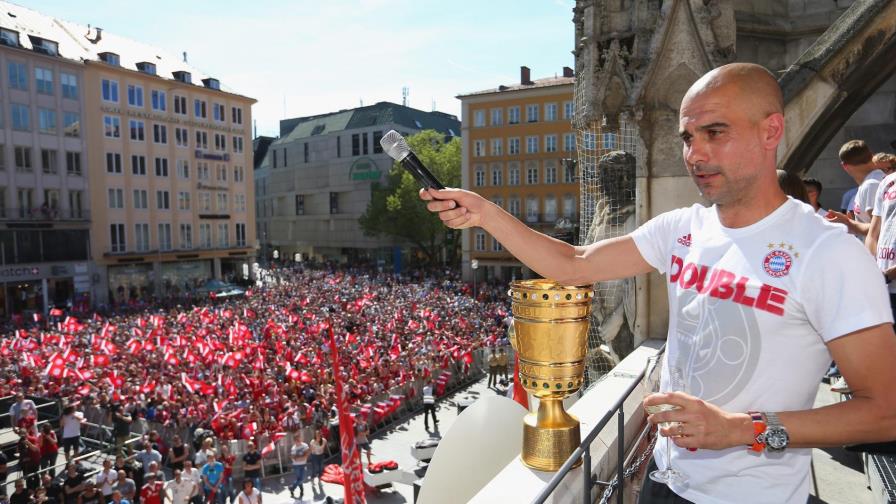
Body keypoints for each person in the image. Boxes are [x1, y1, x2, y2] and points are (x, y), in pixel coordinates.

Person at [421, 62, 896, 503]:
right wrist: (484, 213)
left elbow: (885, 411)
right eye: (688, 136)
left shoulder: (829, 252)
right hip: (662, 481)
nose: (696, 153)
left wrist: (741, 429)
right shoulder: (682, 228)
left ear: (771, 130)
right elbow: (573, 262)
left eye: (715, 132)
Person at [827, 140, 885, 236]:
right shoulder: (875, 181)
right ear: (871, 155)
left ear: (844, 166)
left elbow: (880, 230)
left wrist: (847, 223)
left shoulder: (871, 185)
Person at [287, 435, 309, 500]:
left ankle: (292, 488)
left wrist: (300, 458)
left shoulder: (305, 445)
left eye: (299, 439)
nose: (298, 441)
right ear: (294, 441)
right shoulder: (293, 448)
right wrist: (301, 457)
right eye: (296, 440)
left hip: (303, 464)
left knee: (301, 479)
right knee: (299, 479)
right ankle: (302, 491)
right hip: (296, 465)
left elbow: (306, 456)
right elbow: (294, 459)